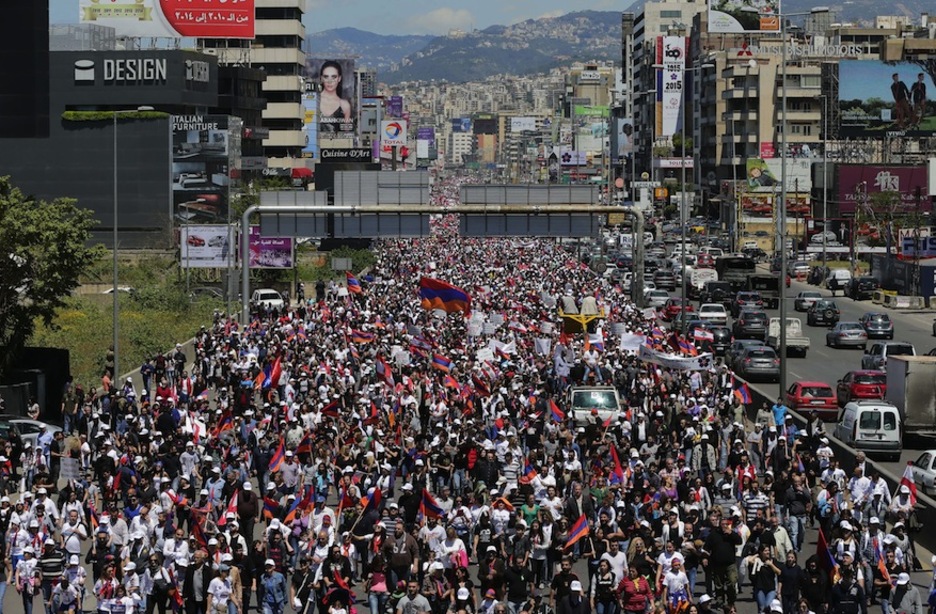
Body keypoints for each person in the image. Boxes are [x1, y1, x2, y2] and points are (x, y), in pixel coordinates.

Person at [318, 61, 352, 133]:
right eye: (326, 77)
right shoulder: (313, 101)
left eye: (334, 77)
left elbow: (346, 133)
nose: (330, 81)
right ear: (321, 78)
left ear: (339, 78)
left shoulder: (344, 105)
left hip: (337, 143)